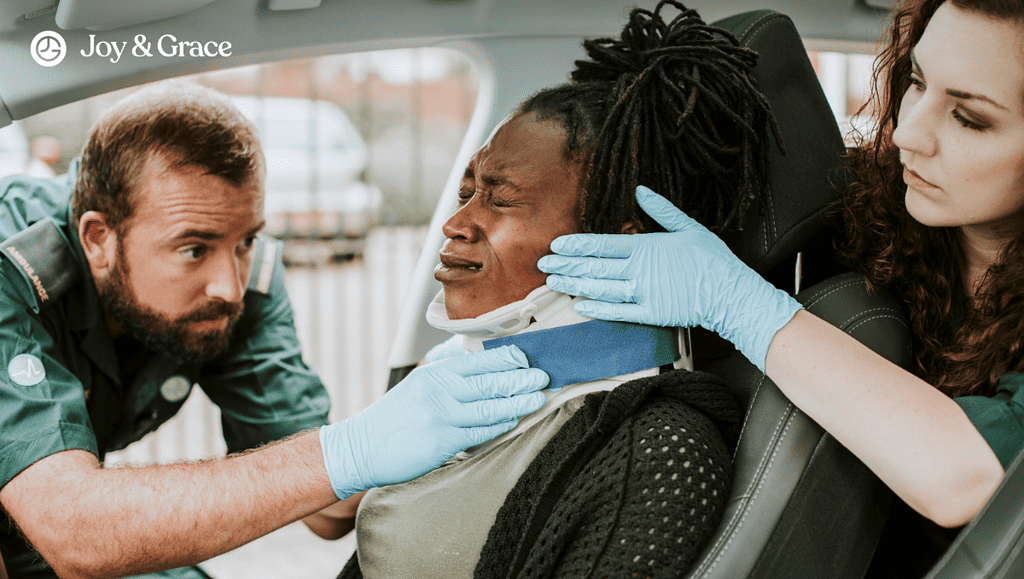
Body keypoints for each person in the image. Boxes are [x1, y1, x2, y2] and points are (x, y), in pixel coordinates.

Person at [539, 0, 1024, 575]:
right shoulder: (856, 214)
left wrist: (739, 303)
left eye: (969, 119)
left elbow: (967, 477)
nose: (905, 133)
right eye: (916, 82)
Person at [0, 81, 549, 579]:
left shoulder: (237, 278)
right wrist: (349, 451)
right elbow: (74, 531)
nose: (230, 287)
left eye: (245, 241)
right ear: (98, 239)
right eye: (194, 248)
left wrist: (419, 417)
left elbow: (328, 507)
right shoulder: (11, 267)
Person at [336, 2, 778, 577]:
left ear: (618, 242)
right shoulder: (455, 373)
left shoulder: (659, 449)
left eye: (501, 198)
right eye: (468, 190)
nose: (456, 223)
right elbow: (328, 513)